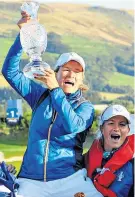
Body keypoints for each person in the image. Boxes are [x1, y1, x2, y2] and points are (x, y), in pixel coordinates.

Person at [2, 11, 103, 197]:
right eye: (66, 69)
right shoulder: (39, 96)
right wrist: (23, 34)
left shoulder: (85, 107)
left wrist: (56, 90)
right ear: (55, 73)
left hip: (70, 179)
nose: (71, 74)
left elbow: (73, 126)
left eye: (77, 72)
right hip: (32, 180)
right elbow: (9, 72)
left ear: (81, 80)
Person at [74, 104, 134, 197]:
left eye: (122, 124)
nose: (116, 128)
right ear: (102, 128)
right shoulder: (87, 157)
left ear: (128, 130)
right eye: (111, 123)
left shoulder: (133, 163)